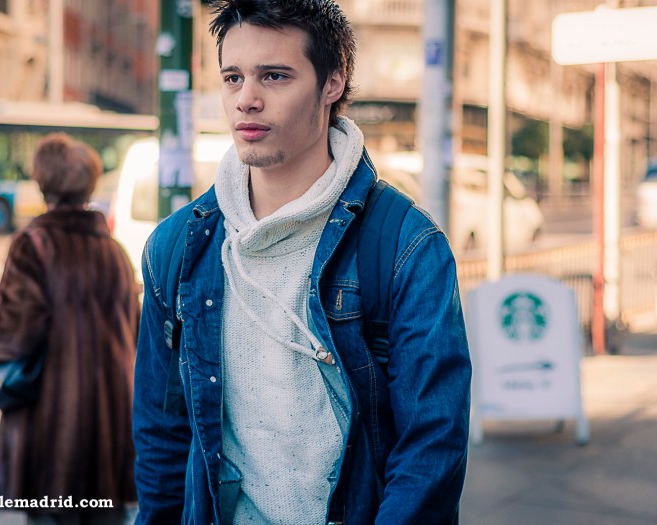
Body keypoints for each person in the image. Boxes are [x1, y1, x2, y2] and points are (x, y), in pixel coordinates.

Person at [133, 1, 471, 524]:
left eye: (275, 76)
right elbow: (162, 438)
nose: (246, 99)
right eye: (233, 77)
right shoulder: (178, 247)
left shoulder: (406, 245)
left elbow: (431, 446)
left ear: (331, 83)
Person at [0, 133, 139, 525]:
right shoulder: (113, 251)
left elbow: (13, 331)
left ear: (43, 184)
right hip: (109, 423)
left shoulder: (35, 244)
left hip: (52, 424)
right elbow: (133, 332)